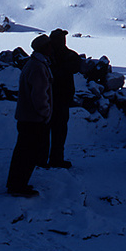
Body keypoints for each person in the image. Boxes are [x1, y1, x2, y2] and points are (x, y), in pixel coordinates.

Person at [6, 34, 53, 198]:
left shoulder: (34, 64)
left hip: (27, 118)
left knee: (23, 152)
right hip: (33, 119)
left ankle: (17, 183)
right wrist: (46, 113)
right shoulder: (38, 67)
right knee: (27, 154)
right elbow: (39, 95)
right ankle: (18, 185)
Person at [46, 29, 81, 168]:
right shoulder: (51, 56)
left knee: (57, 131)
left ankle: (53, 158)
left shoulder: (62, 56)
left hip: (56, 98)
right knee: (56, 131)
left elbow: (75, 66)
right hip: (54, 98)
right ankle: (53, 158)